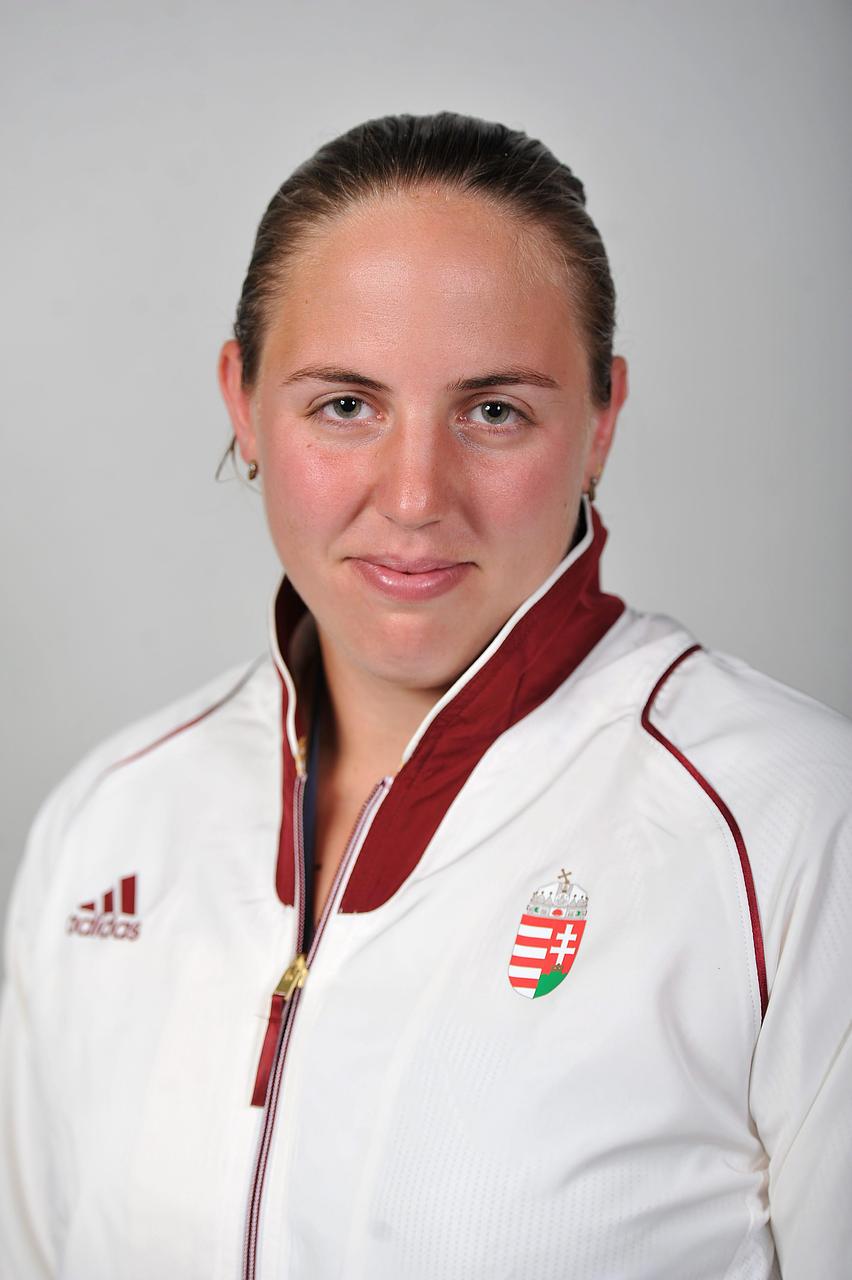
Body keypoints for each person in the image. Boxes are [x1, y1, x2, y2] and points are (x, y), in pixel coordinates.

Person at [1, 111, 849, 1280]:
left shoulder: (794, 822)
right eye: (345, 404)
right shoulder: (110, 819)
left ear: (600, 419)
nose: (413, 496)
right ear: (243, 400)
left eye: (494, 409)